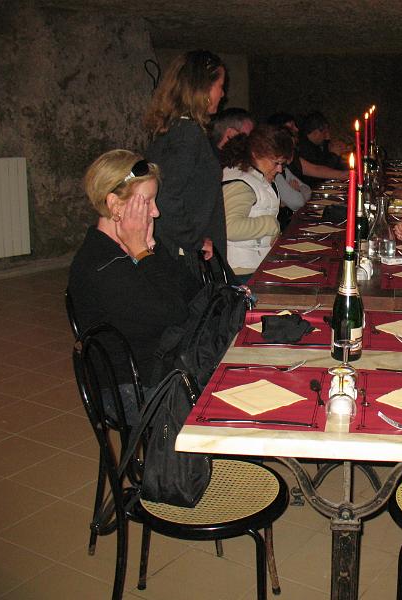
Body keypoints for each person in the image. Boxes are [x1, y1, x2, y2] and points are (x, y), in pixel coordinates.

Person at [68, 150, 201, 421]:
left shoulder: (140, 245)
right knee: (221, 402)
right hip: (128, 387)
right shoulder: (102, 263)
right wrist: (143, 253)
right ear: (115, 205)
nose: (156, 211)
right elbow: (175, 312)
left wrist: (149, 251)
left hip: (162, 366)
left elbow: (193, 290)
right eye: (147, 201)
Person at [143, 50, 233, 282]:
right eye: (220, 86)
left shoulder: (174, 129)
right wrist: (194, 241)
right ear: (203, 88)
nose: (222, 94)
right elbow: (165, 196)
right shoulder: (188, 134)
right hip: (185, 255)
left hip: (180, 248)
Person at [220, 125, 294, 279]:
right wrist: (271, 225)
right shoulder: (241, 183)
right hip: (241, 270)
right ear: (256, 154)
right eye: (276, 163)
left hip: (255, 263)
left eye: (282, 164)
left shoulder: (256, 177)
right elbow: (229, 228)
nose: (280, 170)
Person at [296, 111, 348, 185]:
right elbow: (319, 173)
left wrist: (331, 146)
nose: (327, 137)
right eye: (324, 133)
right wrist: (333, 155)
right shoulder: (303, 147)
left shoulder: (316, 144)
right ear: (315, 132)